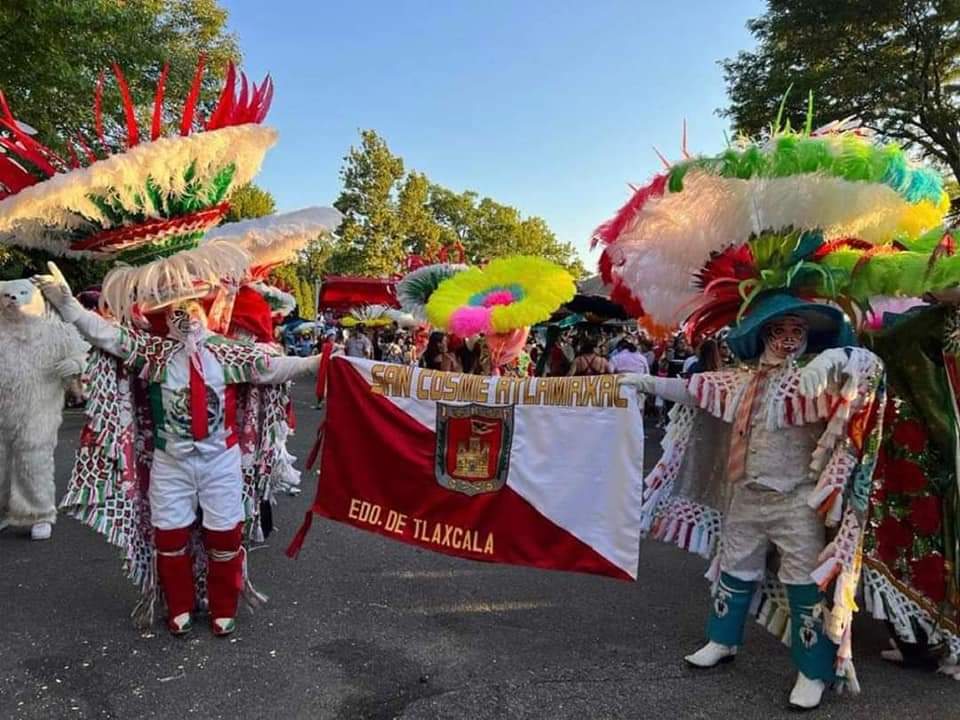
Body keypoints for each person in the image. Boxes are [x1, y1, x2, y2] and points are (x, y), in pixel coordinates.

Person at [624, 294, 883, 710]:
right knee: (735, 567)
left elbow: (870, 375)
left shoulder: (817, 380)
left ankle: (813, 671)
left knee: (804, 583)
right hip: (746, 494)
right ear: (763, 335)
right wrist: (645, 383)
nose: (788, 338)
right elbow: (694, 389)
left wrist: (839, 359)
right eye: (779, 330)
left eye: (797, 331)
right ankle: (722, 640)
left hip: (797, 501)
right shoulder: (740, 382)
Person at [38, 263, 321, 637]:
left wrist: (322, 362)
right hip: (171, 462)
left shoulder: (228, 354)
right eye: (176, 311)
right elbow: (107, 336)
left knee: (225, 535)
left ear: (206, 310)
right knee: (169, 536)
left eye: (192, 308)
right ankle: (179, 608)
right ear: (165, 318)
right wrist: (69, 306)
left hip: (220, 461)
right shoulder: (154, 353)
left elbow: (278, 367)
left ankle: (223, 608)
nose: (185, 317)